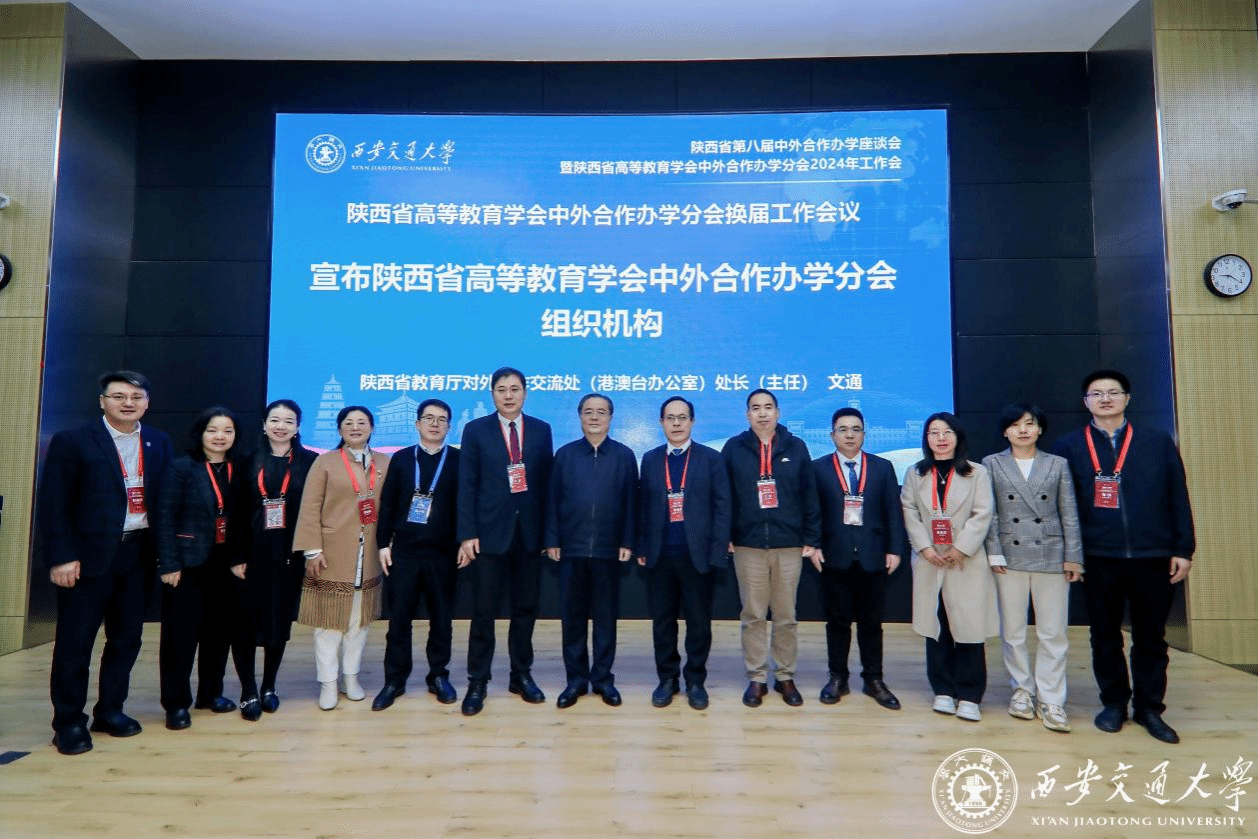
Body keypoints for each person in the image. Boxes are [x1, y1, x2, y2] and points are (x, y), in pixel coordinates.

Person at [1052, 370, 1195, 744]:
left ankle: (1149, 709)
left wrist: (1183, 548)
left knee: (1151, 637)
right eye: (1096, 394)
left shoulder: (1156, 442)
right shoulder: (1069, 446)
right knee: (1104, 635)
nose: (1105, 399)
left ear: (1127, 399)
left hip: (1153, 554)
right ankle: (1114, 703)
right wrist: (1072, 554)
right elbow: (1063, 507)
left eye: (1113, 392)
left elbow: (1177, 494)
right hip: (1098, 556)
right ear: (1085, 402)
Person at [36, 371, 173, 755]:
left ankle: (110, 710)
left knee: (126, 640)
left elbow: (164, 501)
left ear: (147, 402)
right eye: (118, 396)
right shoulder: (73, 441)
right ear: (102, 401)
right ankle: (68, 722)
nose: (128, 403)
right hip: (86, 559)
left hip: (138, 554)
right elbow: (54, 504)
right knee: (75, 644)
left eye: (136, 397)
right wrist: (61, 557)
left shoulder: (158, 441)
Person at [456, 367, 554, 716]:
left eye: (514, 389)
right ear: (492, 394)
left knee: (525, 609)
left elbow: (546, 486)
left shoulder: (541, 430)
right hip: (488, 535)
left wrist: (548, 535)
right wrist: (467, 533)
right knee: (484, 611)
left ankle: (521, 675)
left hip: (529, 535)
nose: (508, 395)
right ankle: (478, 680)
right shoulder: (475, 430)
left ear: (525, 392)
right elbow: (466, 484)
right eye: (501, 389)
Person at [983, 403, 1083, 733]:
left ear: (1040, 428)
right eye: (1015, 425)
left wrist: (1074, 556)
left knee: (1053, 632)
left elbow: (1069, 512)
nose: (1023, 430)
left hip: (1051, 553)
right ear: (1005, 431)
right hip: (1008, 557)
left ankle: (1052, 699)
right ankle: (1022, 691)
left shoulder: (1057, 464)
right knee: (1012, 631)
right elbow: (991, 513)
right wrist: (994, 553)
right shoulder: (991, 463)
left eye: (1029, 423)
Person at [721, 389, 821, 708]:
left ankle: (785, 675)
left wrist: (811, 537)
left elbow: (809, 495)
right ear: (747, 414)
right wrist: (725, 534)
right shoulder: (733, 448)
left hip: (788, 544)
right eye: (755, 408)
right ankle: (757, 677)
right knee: (753, 614)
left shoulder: (796, 446)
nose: (762, 413)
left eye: (768, 407)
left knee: (785, 614)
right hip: (747, 545)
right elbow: (724, 497)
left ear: (778, 412)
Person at [155, 407, 248, 730]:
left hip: (227, 564)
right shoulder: (181, 467)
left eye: (227, 430)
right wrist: (169, 562)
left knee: (218, 634)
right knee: (180, 637)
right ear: (201, 433)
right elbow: (165, 516)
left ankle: (210, 693)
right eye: (213, 430)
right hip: (187, 563)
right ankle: (176, 703)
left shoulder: (240, 467)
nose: (220, 436)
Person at [901, 412, 997, 722]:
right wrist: (925, 548)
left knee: (969, 627)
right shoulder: (915, 473)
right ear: (926, 439)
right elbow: (909, 511)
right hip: (929, 561)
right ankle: (942, 689)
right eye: (934, 433)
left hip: (966, 560)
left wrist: (960, 548)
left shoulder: (977, 472)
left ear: (958, 437)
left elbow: (982, 514)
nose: (941, 438)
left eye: (947, 432)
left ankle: (970, 694)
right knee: (936, 626)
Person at [636, 396, 731, 711]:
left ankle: (695, 681)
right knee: (662, 622)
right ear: (661, 422)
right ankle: (667, 679)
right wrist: (642, 546)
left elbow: (723, 508)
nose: (676, 423)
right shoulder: (650, 459)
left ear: (692, 422)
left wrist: (718, 551)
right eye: (670, 418)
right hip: (660, 555)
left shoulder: (710, 458)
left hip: (697, 556)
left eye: (682, 417)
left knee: (699, 623)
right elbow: (643, 506)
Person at [544, 394, 638, 709]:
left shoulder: (624, 456)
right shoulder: (565, 455)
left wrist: (627, 541)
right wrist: (552, 539)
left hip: (609, 551)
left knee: (605, 619)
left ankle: (603, 680)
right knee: (572, 619)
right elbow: (552, 501)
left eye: (601, 412)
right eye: (588, 412)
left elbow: (631, 502)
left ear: (610, 418)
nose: (594, 417)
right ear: (580, 417)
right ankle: (575, 681)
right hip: (571, 550)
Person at [293, 406, 390, 710]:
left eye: (362, 422)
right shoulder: (325, 462)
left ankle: (351, 677)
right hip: (331, 552)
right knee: (329, 623)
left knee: (359, 622)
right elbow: (310, 506)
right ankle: (328, 682)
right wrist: (312, 549)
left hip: (369, 553)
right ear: (339, 430)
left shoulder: (385, 462)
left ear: (372, 428)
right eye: (349, 423)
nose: (356, 427)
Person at [812, 407, 908, 710]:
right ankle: (837, 678)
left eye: (855, 429)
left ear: (864, 434)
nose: (849, 435)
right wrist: (813, 546)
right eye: (843, 429)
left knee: (872, 623)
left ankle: (874, 679)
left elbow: (893, 511)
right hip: (834, 556)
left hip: (873, 555)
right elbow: (812, 512)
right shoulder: (818, 468)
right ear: (832, 435)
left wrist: (895, 549)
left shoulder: (882, 467)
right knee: (837, 622)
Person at [372, 399, 461, 711]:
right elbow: (388, 504)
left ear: (449, 426)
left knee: (442, 620)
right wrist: (383, 544)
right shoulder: (401, 458)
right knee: (399, 620)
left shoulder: (459, 460)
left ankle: (438, 675)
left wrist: (464, 541)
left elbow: (465, 506)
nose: (435, 424)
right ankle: (395, 680)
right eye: (429, 418)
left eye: (442, 419)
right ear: (417, 423)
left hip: (443, 553)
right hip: (405, 552)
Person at [231, 398, 318, 719]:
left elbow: (314, 512)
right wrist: (237, 556)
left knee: (278, 623)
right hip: (250, 555)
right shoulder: (245, 460)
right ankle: (248, 690)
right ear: (264, 424)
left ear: (297, 427)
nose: (281, 426)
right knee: (244, 624)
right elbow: (235, 512)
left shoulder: (310, 462)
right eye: (275, 420)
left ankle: (269, 686)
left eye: (288, 421)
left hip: (288, 556)